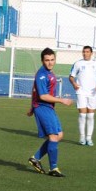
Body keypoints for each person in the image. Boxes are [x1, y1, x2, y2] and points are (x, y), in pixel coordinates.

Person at [27, 48, 73, 177]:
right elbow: (42, 96)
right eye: (47, 60)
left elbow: (33, 89)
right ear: (42, 60)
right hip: (42, 107)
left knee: (59, 135)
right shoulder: (42, 75)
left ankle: (35, 158)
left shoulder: (50, 73)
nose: (50, 62)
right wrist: (62, 100)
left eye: (52, 59)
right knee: (53, 137)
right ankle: (53, 168)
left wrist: (31, 107)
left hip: (48, 107)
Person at [69, 45, 96, 146]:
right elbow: (71, 76)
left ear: (91, 53)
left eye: (87, 52)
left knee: (91, 115)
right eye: (84, 52)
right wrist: (74, 83)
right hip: (81, 92)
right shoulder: (78, 64)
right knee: (82, 115)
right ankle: (82, 137)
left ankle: (89, 138)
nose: (85, 53)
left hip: (93, 92)